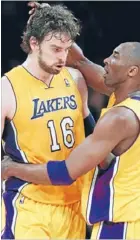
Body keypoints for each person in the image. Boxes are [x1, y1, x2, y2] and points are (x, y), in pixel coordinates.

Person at [3, 41, 140, 239]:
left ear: (132, 71)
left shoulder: (121, 117)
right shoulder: (126, 97)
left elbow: (66, 172)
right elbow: (83, 63)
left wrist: (11, 169)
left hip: (123, 224)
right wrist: (60, 32)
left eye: (115, 56)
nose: (106, 60)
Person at [1, 4, 99, 239]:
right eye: (55, 49)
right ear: (34, 43)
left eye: (66, 49)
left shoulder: (75, 80)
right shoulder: (7, 88)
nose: (63, 58)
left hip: (73, 204)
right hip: (30, 205)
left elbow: (92, 135)